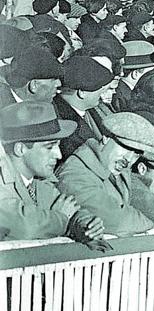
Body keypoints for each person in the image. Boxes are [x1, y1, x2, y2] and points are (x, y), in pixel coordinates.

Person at [0, 102, 105, 246]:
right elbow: (26, 228)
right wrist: (61, 217)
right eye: (49, 146)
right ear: (20, 149)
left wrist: (87, 225)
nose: (59, 154)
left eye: (58, 145)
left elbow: (71, 210)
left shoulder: (39, 182)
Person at [56, 112, 154, 237]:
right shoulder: (75, 174)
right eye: (126, 147)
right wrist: (148, 223)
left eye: (137, 154)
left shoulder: (118, 171)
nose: (129, 159)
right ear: (105, 138)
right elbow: (117, 221)